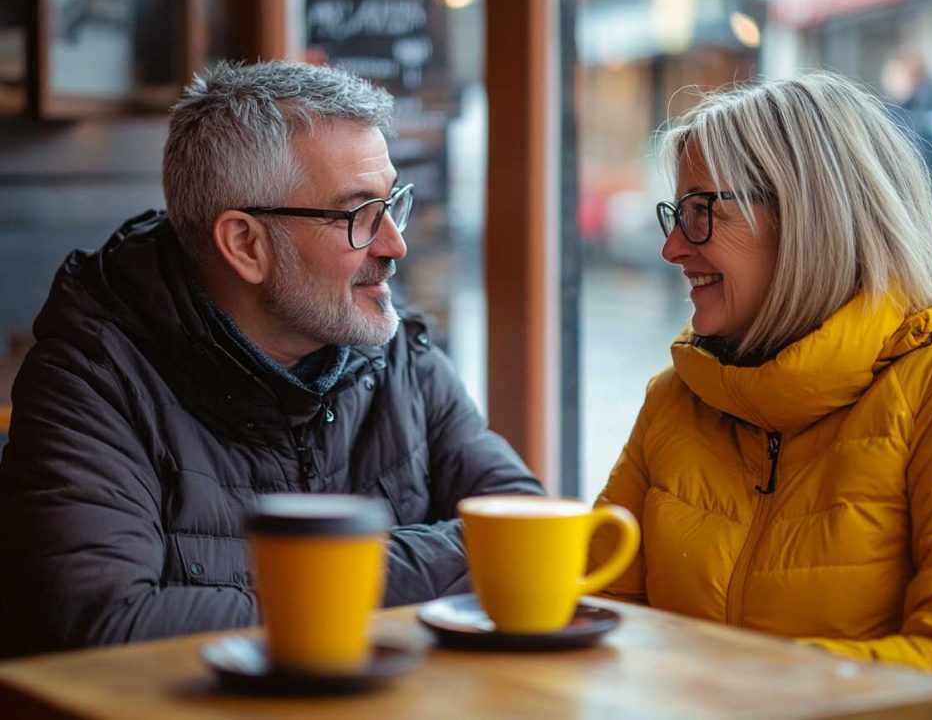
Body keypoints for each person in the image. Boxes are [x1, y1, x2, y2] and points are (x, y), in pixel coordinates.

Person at [0, 61, 543, 657]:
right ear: (244, 245)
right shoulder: (92, 382)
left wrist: (318, 586)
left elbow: (531, 535)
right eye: (359, 214)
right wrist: (428, 560)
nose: (395, 243)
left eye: (394, 203)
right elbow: (106, 629)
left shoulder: (397, 356)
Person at [589, 72, 932, 719]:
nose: (672, 245)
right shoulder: (675, 400)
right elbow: (591, 616)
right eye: (676, 213)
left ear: (806, 215)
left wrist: (716, 689)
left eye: (701, 212)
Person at [881, 49, 932, 221]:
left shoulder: (913, 123)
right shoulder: (912, 116)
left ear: (910, 76)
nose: (888, 80)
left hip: (924, 221)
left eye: (894, 74)